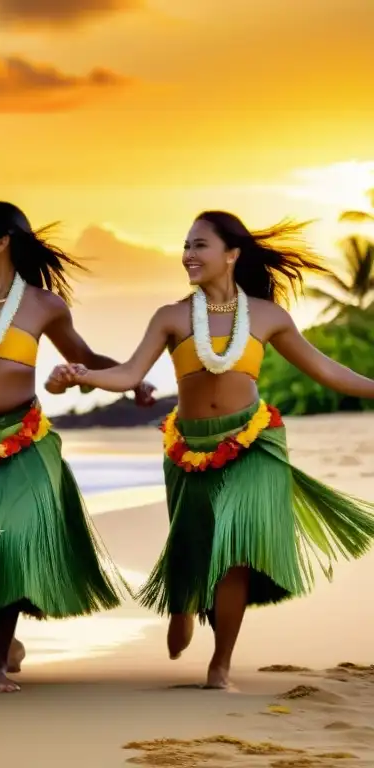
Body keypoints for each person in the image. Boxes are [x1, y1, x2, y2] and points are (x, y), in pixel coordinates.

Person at [47, 210, 374, 689]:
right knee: (194, 544)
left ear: (232, 255)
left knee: (238, 545)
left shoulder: (266, 316)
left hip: (255, 442)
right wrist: (82, 375)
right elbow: (129, 375)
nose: (188, 255)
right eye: (185, 246)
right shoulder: (172, 317)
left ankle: (220, 663)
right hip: (190, 448)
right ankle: (182, 601)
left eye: (200, 245)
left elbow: (327, 371)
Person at [0, 200, 156, 693]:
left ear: (1, 242)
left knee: (13, 543)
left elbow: (83, 359)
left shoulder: (44, 305)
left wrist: (130, 384)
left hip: (26, 442)